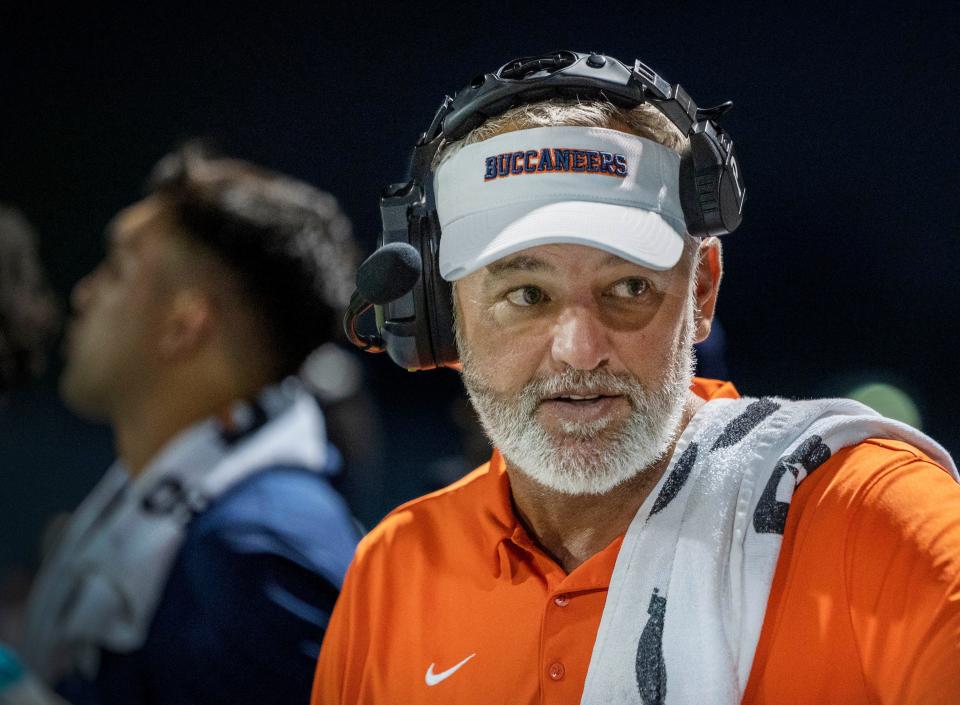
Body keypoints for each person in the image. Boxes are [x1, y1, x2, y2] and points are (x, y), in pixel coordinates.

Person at [313, 52, 960, 704]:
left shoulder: (872, 515)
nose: (579, 350)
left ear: (702, 290)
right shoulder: (391, 569)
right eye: (526, 294)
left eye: (628, 286)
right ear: (439, 313)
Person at [7, 145, 362, 705]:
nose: (84, 293)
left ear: (184, 324)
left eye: (116, 267)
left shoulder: (258, 554)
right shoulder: (197, 500)